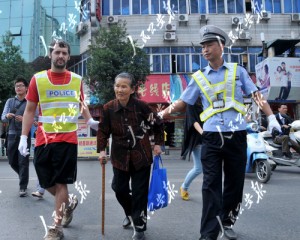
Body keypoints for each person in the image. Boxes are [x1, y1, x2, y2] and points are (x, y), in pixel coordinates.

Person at [159, 25, 281, 240]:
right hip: (212, 137)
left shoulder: (238, 71)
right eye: (203, 46)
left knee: (234, 184)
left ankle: (227, 221)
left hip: (237, 135)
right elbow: (182, 103)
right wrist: (161, 115)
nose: (205, 50)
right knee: (210, 184)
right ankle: (208, 234)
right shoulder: (198, 77)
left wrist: (271, 117)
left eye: (209, 45)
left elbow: (256, 96)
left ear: (221, 46)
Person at [18, 40, 99, 240]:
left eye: (64, 53)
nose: (60, 56)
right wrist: (23, 136)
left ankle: (56, 227)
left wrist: (89, 121)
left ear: (68, 56)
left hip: (67, 138)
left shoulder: (76, 79)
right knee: (46, 182)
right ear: (50, 55)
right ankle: (69, 203)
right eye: (57, 52)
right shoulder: (38, 79)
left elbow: (81, 103)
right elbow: (29, 110)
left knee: (61, 182)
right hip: (43, 138)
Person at [97, 72, 163, 240]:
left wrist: (157, 144)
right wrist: (102, 151)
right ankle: (131, 213)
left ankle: (139, 227)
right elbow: (103, 132)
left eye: (124, 86)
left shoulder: (142, 107)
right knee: (119, 190)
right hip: (119, 157)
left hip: (142, 155)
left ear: (132, 89)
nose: (120, 89)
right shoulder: (108, 108)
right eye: (117, 86)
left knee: (140, 192)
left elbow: (157, 123)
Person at [1, 77, 32, 197]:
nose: (18, 88)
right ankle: (23, 176)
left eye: (20, 86)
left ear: (26, 88)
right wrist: (7, 116)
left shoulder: (30, 101)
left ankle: (23, 186)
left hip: (25, 135)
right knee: (11, 160)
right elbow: (2, 117)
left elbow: (35, 119)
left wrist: (25, 119)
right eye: (16, 86)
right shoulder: (10, 101)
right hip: (12, 134)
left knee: (23, 161)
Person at [180, 98, 203, 201]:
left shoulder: (207, 100)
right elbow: (193, 121)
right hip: (198, 140)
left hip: (211, 139)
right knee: (199, 168)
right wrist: (203, 133)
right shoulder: (191, 103)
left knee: (211, 168)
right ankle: (184, 187)